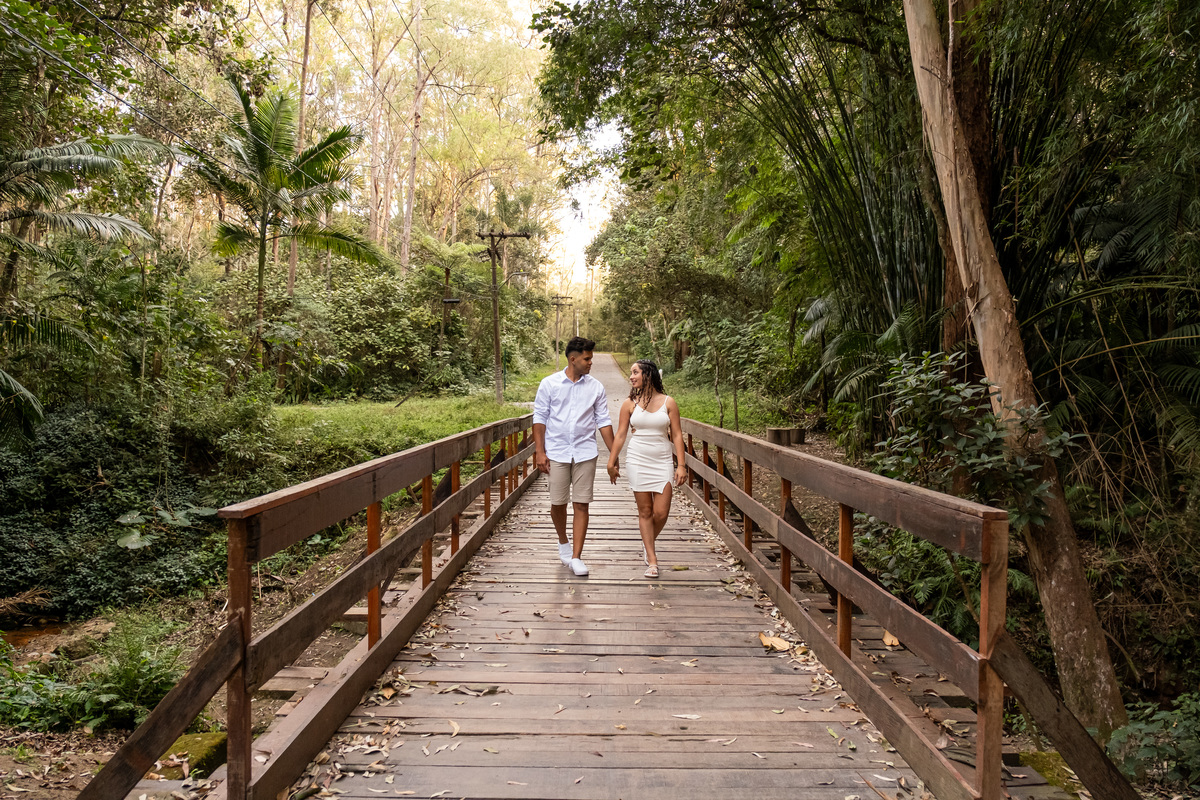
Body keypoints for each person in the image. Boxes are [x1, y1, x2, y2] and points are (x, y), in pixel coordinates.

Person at [533, 336, 616, 576]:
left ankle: (577, 556)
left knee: (581, 503)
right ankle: (563, 542)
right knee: (558, 502)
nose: (591, 363)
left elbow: (603, 421)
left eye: (591, 358)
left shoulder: (596, 387)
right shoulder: (549, 384)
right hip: (557, 451)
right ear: (573, 359)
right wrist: (540, 451)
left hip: (585, 452)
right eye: (587, 358)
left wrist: (614, 454)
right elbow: (540, 417)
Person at [606, 359, 688, 578]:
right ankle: (652, 560)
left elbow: (677, 435)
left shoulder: (669, 402)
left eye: (635, 372)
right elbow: (621, 434)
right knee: (645, 511)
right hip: (637, 459)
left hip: (662, 459)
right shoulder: (629, 403)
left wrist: (681, 465)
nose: (631, 376)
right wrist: (611, 461)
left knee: (661, 512)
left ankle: (647, 540)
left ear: (648, 374)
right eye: (631, 373)